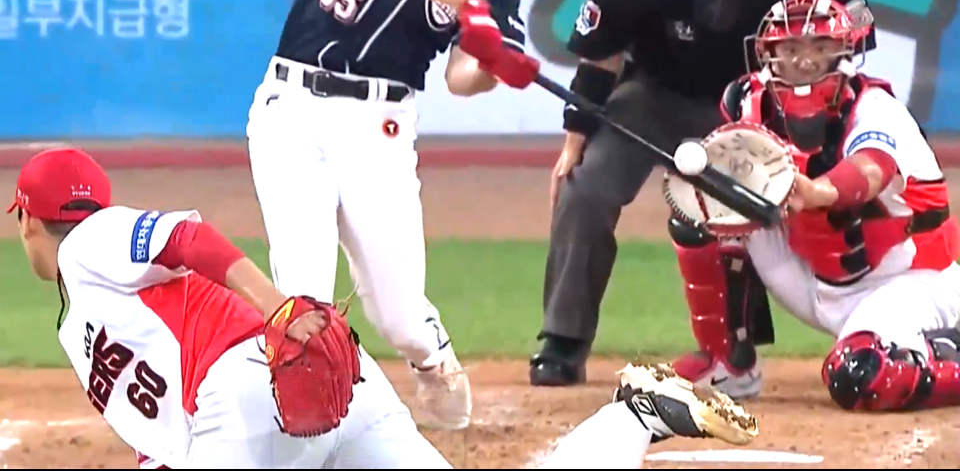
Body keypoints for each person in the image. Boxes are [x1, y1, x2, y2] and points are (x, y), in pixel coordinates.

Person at [9, 148, 759, 469]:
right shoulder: (99, 304)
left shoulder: (87, 244)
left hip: (248, 390)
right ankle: (634, 416)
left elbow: (186, 235)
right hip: (326, 388)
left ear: (25, 219)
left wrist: (275, 306)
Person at [531, 0, 877, 391]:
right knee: (585, 188)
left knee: (762, 207)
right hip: (652, 95)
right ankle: (563, 340)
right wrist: (573, 144)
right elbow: (601, 62)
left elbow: (850, 49)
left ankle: (739, 348)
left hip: (758, 106)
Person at [245, 0, 551, 429]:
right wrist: (467, 6)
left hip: (378, 127)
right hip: (292, 104)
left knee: (400, 319)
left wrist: (490, 62)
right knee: (304, 297)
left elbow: (462, 77)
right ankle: (309, 422)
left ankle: (431, 357)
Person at [680, 0, 960, 411]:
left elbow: (869, 170)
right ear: (768, 54)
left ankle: (930, 351)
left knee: (860, 375)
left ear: (845, 52)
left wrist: (815, 192)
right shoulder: (745, 103)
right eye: (791, 49)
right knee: (707, 211)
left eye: (819, 46)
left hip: (909, 278)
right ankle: (729, 362)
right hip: (814, 279)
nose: (805, 60)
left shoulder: (876, 108)